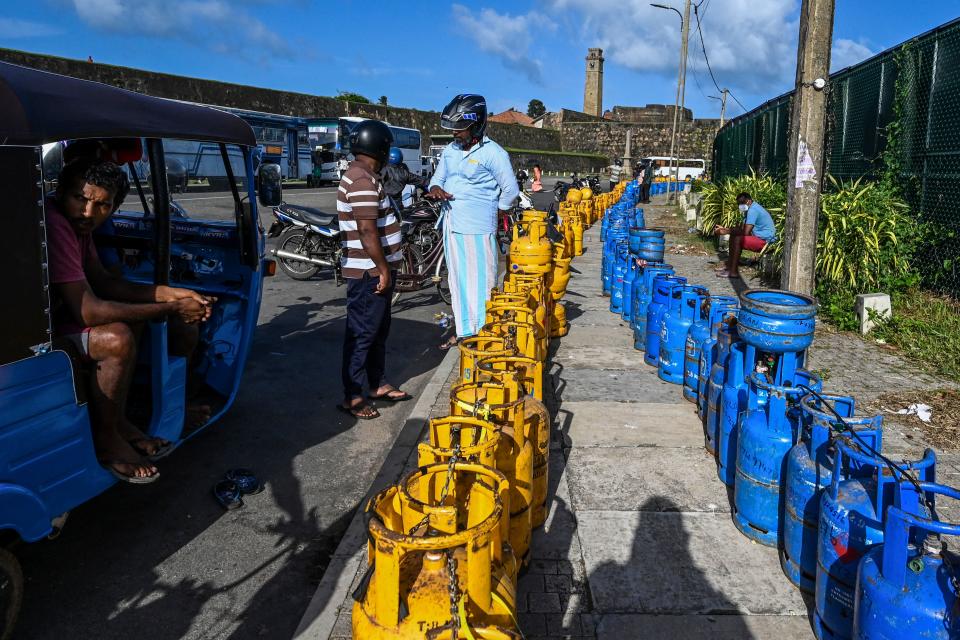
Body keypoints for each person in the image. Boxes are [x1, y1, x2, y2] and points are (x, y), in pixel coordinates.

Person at [47, 159, 215, 483]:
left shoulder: (78, 226)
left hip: (60, 317)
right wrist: (172, 309)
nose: (88, 212)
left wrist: (171, 294)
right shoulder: (57, 224)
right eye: (80, 199)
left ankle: (120, 420)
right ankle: (107, 439)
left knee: (131, 317)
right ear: (60, 192)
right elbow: (89, 312)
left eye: (101, 205)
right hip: (42, 333)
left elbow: (106, 282)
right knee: (117, 338)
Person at [426, 93, 519, 349]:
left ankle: (483, 331)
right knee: (457, 281)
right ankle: (464, 329)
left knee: (481, 283)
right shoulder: (450, 151)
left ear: (476, 124)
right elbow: (437, 177)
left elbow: (510, 190)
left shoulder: (493, 153)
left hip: (478, 228)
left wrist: (497, 212)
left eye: (460, 128)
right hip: (452, 225)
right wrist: (435, 188)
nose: (455, 133)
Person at [337, 120, 411, 420]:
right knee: (362, 334)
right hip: (367, 273)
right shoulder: (361, 180)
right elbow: (367, 231)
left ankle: (377, 383)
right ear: (380, 148)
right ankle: (353, 396)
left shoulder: (364, 175)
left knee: (377, 330)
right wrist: (383, 269)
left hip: (373, 271)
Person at [713, 191, 777, 279]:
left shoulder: (753, 210)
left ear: (748, 201)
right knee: (734, 235)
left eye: (742, 203)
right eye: (739, 204)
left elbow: (745, 232)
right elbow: (741, 229)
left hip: (766, 242)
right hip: (759, 238)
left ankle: (733, 272)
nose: (740, 206)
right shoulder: (750, 209)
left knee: (738, 239)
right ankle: (729, 266)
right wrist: (724, 229)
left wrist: (725, 231)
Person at [380, 146, 428, 214]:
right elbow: (420, 180)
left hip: (382, 206)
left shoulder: (380, 169)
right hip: (397, 206)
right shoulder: (404, 173)